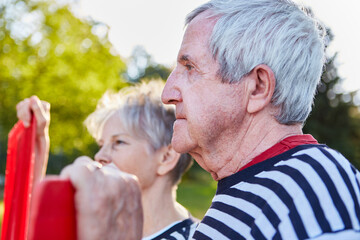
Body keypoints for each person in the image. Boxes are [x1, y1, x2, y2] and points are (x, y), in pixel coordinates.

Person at [159, 0, 360, 239]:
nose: (167, 94)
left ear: (257, 88)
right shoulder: (252, 188)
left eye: (190, 67)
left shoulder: (316, 190)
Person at [16, 81, 196, 240]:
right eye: (101, 144)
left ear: (166, 157)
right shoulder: (88, 224)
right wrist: (37, 146)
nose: (99, 156)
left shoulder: (203, 235)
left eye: (118, 142)